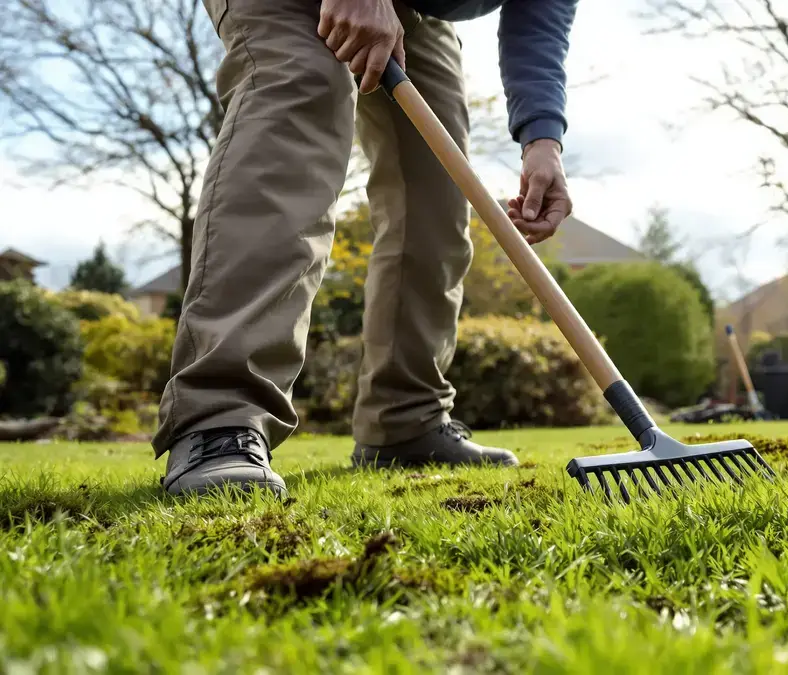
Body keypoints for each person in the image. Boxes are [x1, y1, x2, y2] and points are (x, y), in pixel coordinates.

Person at [155, 0, 579, 499]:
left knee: (437, 185)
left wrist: (542, 139)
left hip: (421, 10)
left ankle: (405, 419)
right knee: (304, 91)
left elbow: (539, 18)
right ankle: (221, 416)